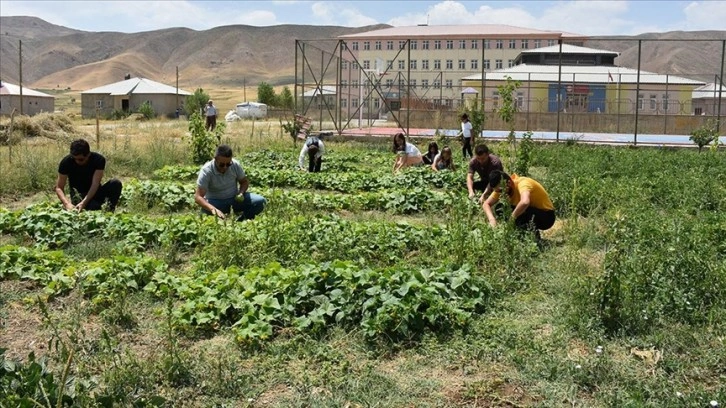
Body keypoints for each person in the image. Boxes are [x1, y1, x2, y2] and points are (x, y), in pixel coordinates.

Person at [194, 144, 266, 221]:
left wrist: (241, 192)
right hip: (215, 202)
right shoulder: (206, 170)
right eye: (222, 164)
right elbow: (198, 197)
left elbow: (244, 182)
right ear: (215, 159)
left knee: (260, 201)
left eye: (228, 164)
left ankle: (242, 221)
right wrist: (213, 209)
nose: (225, 167)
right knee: (205, 211)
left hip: (234, 199)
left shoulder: (235, 165)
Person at [482, 170, 555, 239]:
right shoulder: (501, 188)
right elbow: (486, 204)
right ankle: (521, 234)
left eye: (501, 190)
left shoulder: (523, 183)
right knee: (500, 208)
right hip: (531, 211)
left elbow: (525, 202)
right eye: (497, 191)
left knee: (524, 210)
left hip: (547, 217)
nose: (500, 193)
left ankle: (535, 238)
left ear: (509, 183)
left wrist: (511, 219)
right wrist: (492, 220)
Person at [55, 139, 122, 212]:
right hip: (79, 195)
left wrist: (84, 203)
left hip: (95, 191)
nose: (77, 161)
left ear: (88, 155)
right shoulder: (66, 162)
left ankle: (109, 212)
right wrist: (66, 203)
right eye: (74, 158)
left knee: (115, 183)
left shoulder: (98, 160)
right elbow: (59, 187)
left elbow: (95, 184)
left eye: (81, 159)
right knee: (94, 206)